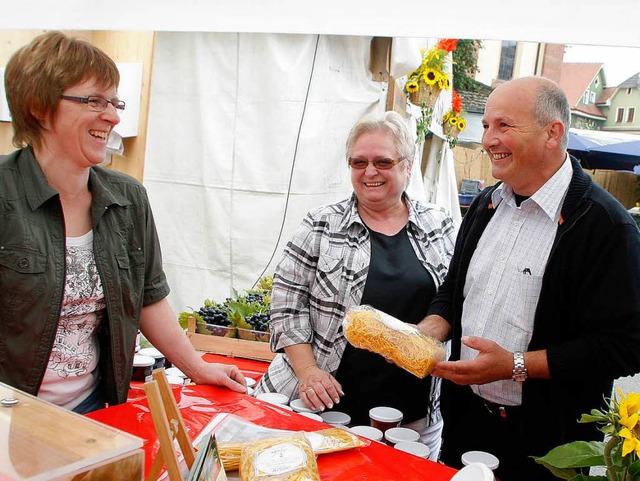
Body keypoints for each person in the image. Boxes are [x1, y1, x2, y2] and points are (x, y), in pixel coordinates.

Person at [0, 31, 246, 414]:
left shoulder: (127, 199)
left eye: (115, 102)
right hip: (12, 416)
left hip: (95, 409)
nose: (113, 116)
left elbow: (149, 297)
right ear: (38, 106)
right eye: (94, 100)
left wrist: (197, 367)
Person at [418, 76, 640, 480]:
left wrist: (514, 365)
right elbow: (454, 291)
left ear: (552, 133)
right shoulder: (486, 204)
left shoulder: (607, 225)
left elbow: (625, 346)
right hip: (465, 421)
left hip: (548, 444)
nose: (487, 140)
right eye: (486, 126)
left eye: (504, 125)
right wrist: (427, 331)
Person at [254, 111, 456, 459]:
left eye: (383, 161)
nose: (370, 171)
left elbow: (456, 297)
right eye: (358, 162)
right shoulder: (322, 225)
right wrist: (308, 371)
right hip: (325, 404)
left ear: (408, 167)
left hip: (411, 415)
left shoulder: (440, 225)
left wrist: (418, 338)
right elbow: (286, 304)